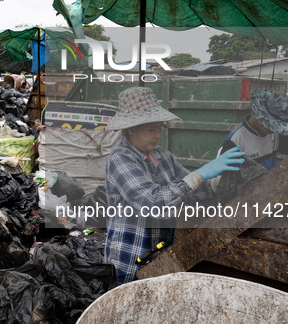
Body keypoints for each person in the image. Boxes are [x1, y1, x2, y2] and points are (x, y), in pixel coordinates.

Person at [104, 87, 245, 284]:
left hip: (160, 254)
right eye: (151, 129)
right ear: (131, 128)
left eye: (160, 128)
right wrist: (200, 173)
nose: (158, 134)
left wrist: (217, 180)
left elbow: (196, 191)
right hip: (130, 258)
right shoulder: (120, 159)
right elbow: (153, 203)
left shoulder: (162, 156)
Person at [219, 89, 288, 170]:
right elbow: (229, 179)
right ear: (260, 115)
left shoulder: (274, 135)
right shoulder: (235, 141)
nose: (273, 130)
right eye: (271, 125)